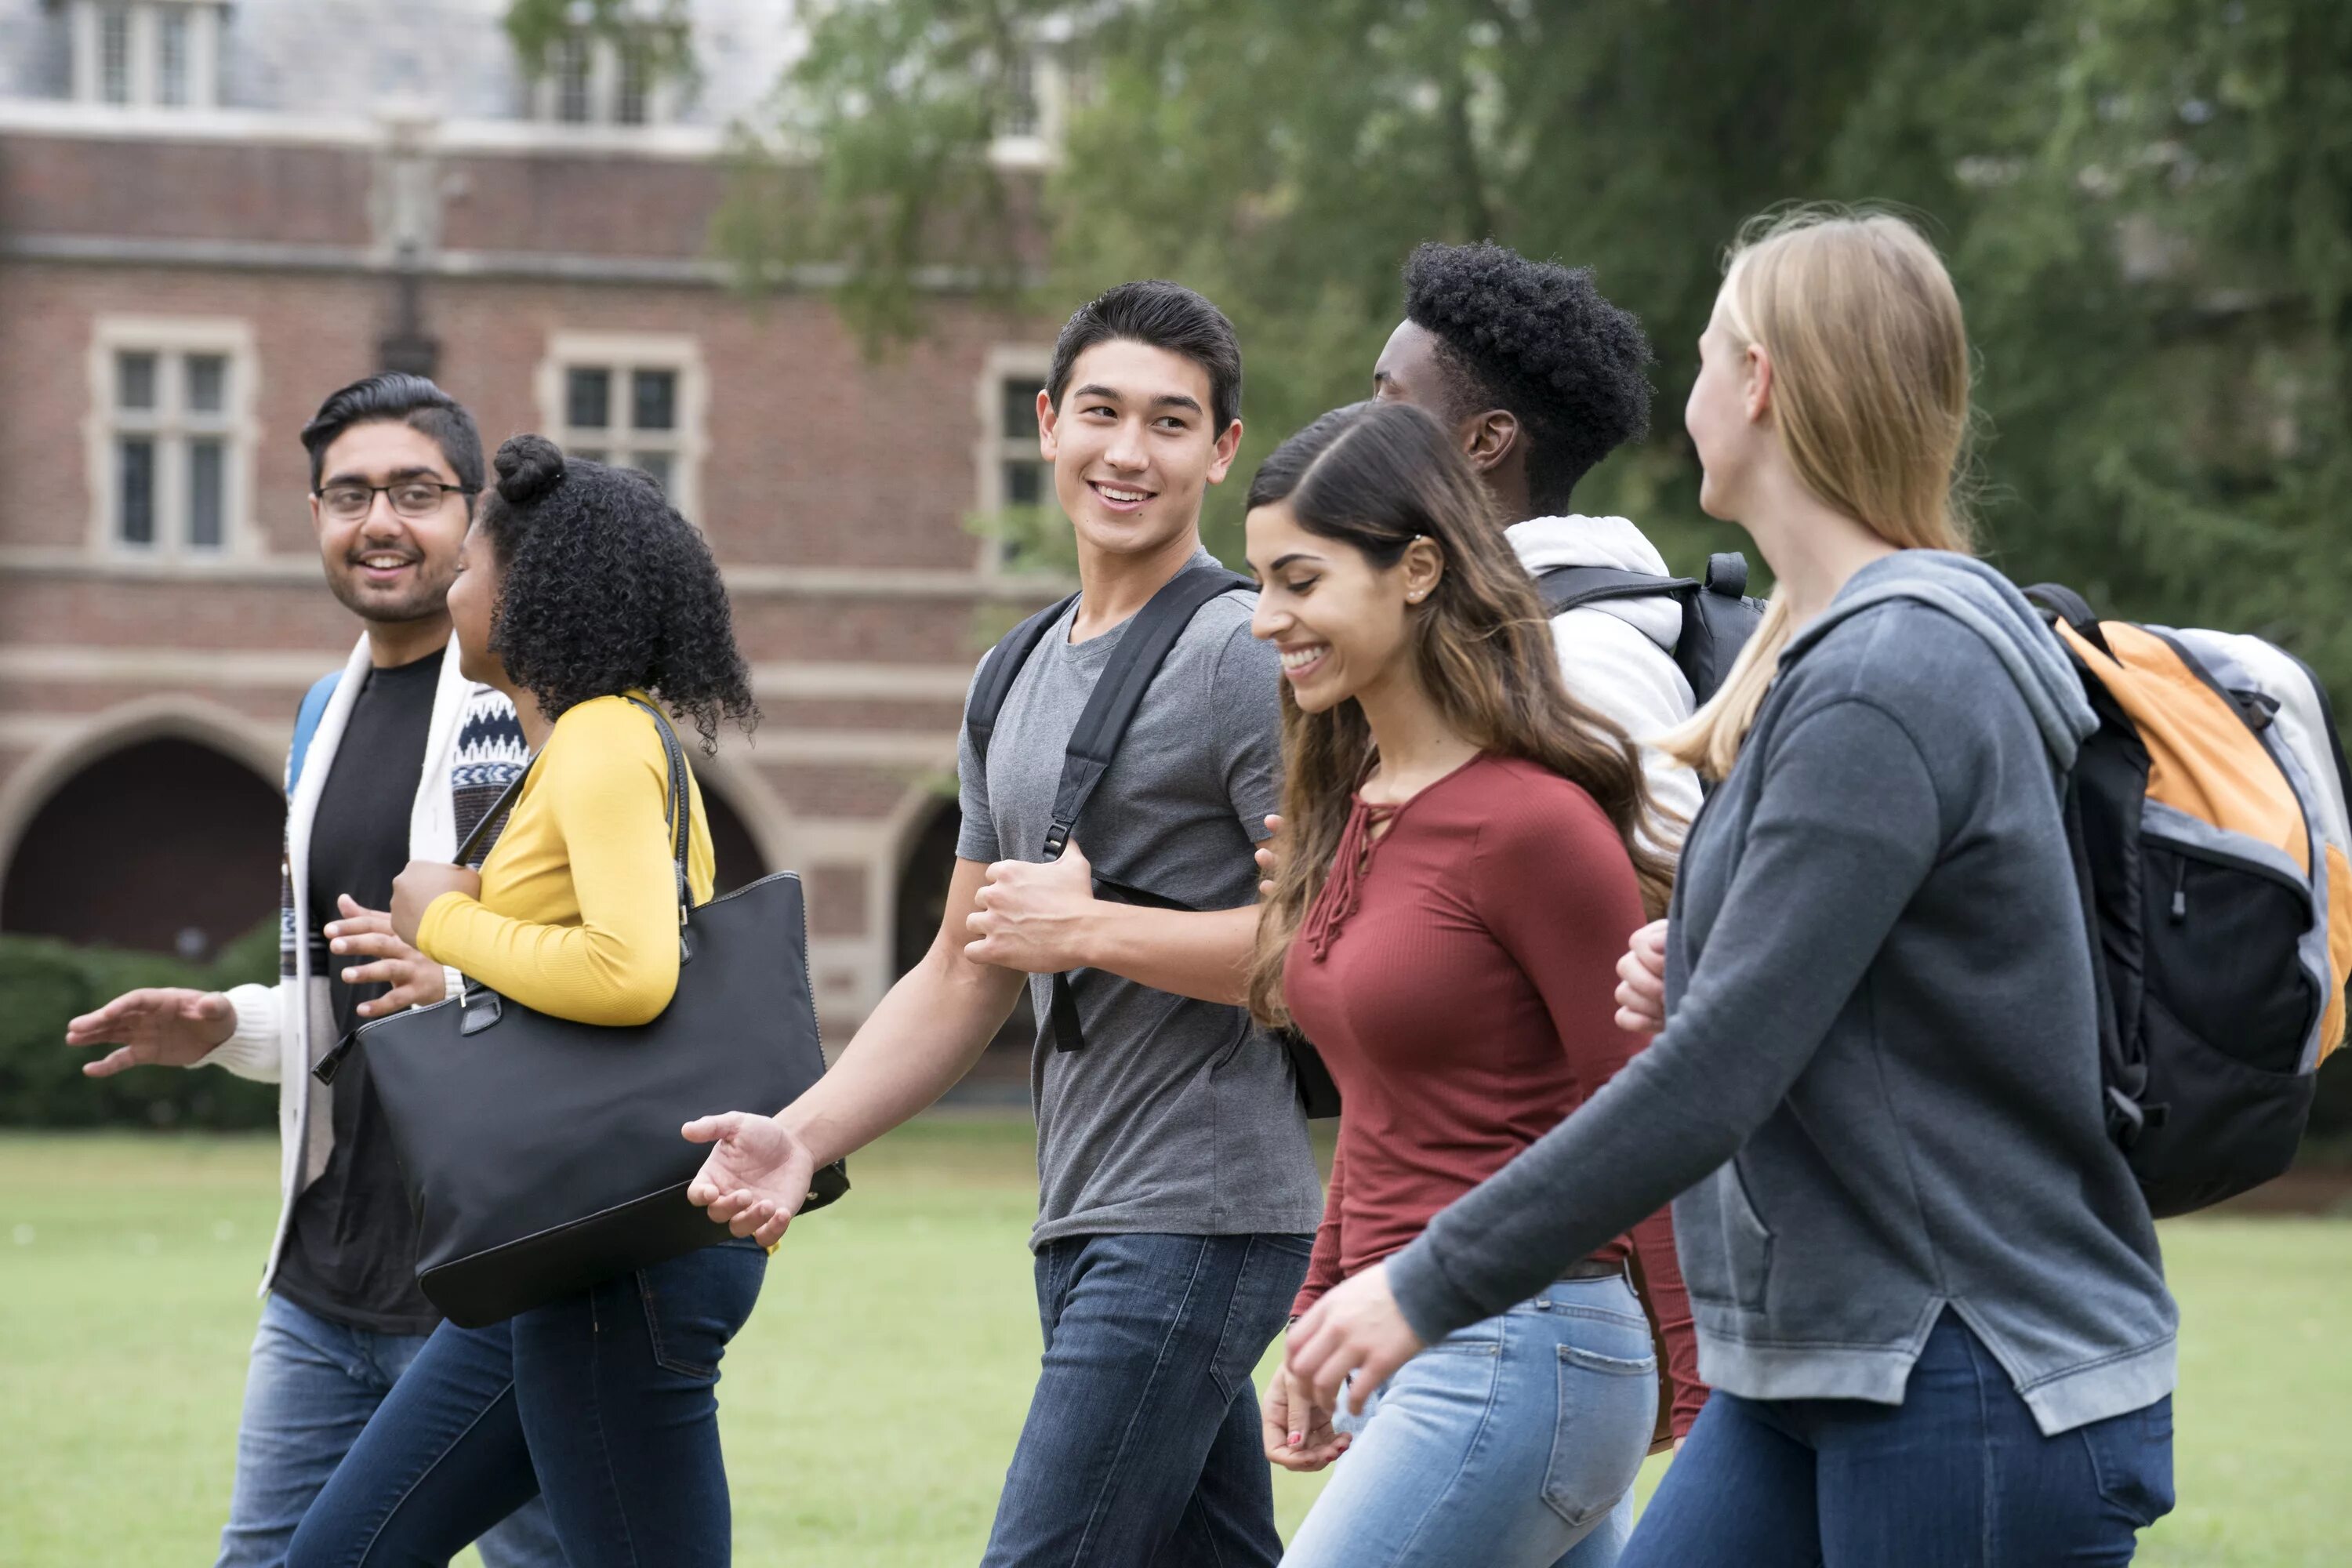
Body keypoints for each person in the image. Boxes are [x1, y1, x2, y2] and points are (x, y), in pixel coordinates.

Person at [1287, 209, 2179, 1566]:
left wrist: (1426, 1282)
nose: (1689, 396)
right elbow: (1854, 992)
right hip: (1816, 1368)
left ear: (1757, 383)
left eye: (1708, 357)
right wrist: (1698, 956)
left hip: (1969, 1372)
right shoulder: (1807, 657)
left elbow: (1719, 1078)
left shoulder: (1896, 676)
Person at [682, 281, 1324, 1567]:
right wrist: (803, 1136)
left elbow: (1325, 948)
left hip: (1200, 1216)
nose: (1128, 452)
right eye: (1101, 411)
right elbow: (964, 973)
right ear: (1047, 423)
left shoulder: (1243, 656)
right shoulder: (1012, 673)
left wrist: (1091, 933)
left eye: (1170, 421)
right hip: (1083, 1216)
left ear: (1223, 450)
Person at [64, 373, 557, 1568]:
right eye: (348, 494)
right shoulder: (319, 717)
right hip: (328, 1269)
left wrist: (466, 981)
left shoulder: (542, 704)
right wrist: (224, 1024)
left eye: (415, 492)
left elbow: (622, 967)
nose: (378, 521)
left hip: (500, 1274)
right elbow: (346, 1000)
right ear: (314, 513)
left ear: (475, 515)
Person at [285, 435, 763, 1567]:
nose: (455, 588)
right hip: (558, 1241)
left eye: (473, 565)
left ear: (537, 588)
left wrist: (439, 919)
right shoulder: (581, 747)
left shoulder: (601, 737)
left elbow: (630, 972)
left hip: (618, 1245)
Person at [1240, 401, 1702, 1568]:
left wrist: (1700, 1408)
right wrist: (1313, 1320)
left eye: (1298, 581)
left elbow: (1645, 1116)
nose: (1264, 620)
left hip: (1523, 1344)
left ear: (1419, 570)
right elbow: (1381, 1110)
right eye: (1261, 583)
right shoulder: (1364, 811)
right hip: (1411, 1349)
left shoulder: (1535, 825)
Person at [1371, 241, 1701, 836]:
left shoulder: (1582, 655)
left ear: (1484, 442)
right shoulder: (1469, 622)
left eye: (1390, 400)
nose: (1356, 427)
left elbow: (1678, 887)